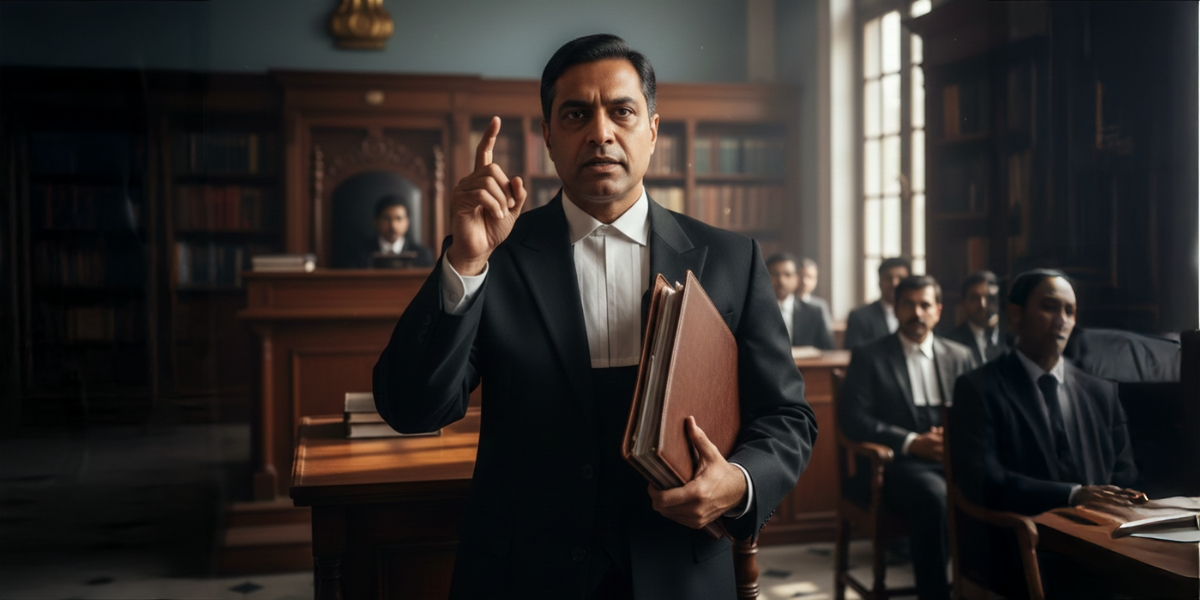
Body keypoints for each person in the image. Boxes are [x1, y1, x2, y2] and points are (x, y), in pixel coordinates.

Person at [373, 34, 816, 600]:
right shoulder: (492, 254)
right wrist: (465, 262)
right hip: (522, 574)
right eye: (577, 114)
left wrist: (740, 480)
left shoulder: (733, 259)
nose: (601, 133)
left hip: (680, 572)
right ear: (548, 138)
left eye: (622, 112)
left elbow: (787, 415)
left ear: (652, 131)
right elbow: (410, 408)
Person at [949, 269, 1143, 597]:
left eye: (1069, 311)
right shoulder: (979, 388)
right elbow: (983, 478)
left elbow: (1126, 472)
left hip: (1100, 537)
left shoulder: (1100, 391)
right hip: (1024, 539)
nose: (1062, 319)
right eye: (1049, 307)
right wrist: (1070, 494)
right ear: (1015, 314)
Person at [838, 275, 976, 600]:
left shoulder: (960, 356)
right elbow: (854, 420)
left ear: (938, 311)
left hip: (951, 461)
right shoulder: (869, 356)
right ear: (896, 308)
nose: (917, 312)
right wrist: (913, 442)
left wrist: (952, 439)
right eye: (909, 304)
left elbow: (976, 413)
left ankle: (981, 588)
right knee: (935, 495)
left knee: (993, 486)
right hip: (893, 467)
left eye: (925, 305)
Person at [766, 253, 834, 349]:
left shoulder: (814, 312)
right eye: (775, 274)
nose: (781, 280)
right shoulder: (756, 311)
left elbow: (828, 349)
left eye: (788, 275)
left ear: (796, 279)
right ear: (765, 277)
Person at [844, 257, 911, 350]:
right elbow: (855, 353)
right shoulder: (859, 316)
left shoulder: (917, 314)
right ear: (879, 281)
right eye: (888, 278)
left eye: (901, 278)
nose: (894, 283)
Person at [944, 270, 1006, 365]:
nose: (983, 305)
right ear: (963, 303)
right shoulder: (950, 343)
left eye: (989, 298)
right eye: (975, 298)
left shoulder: (1015, 339)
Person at [361, 194, 434, 268]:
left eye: (399, 219)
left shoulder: (422, 255)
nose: (393, 226)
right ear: (376, 222)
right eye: (386, 219)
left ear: (407, 222)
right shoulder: (360, 255)